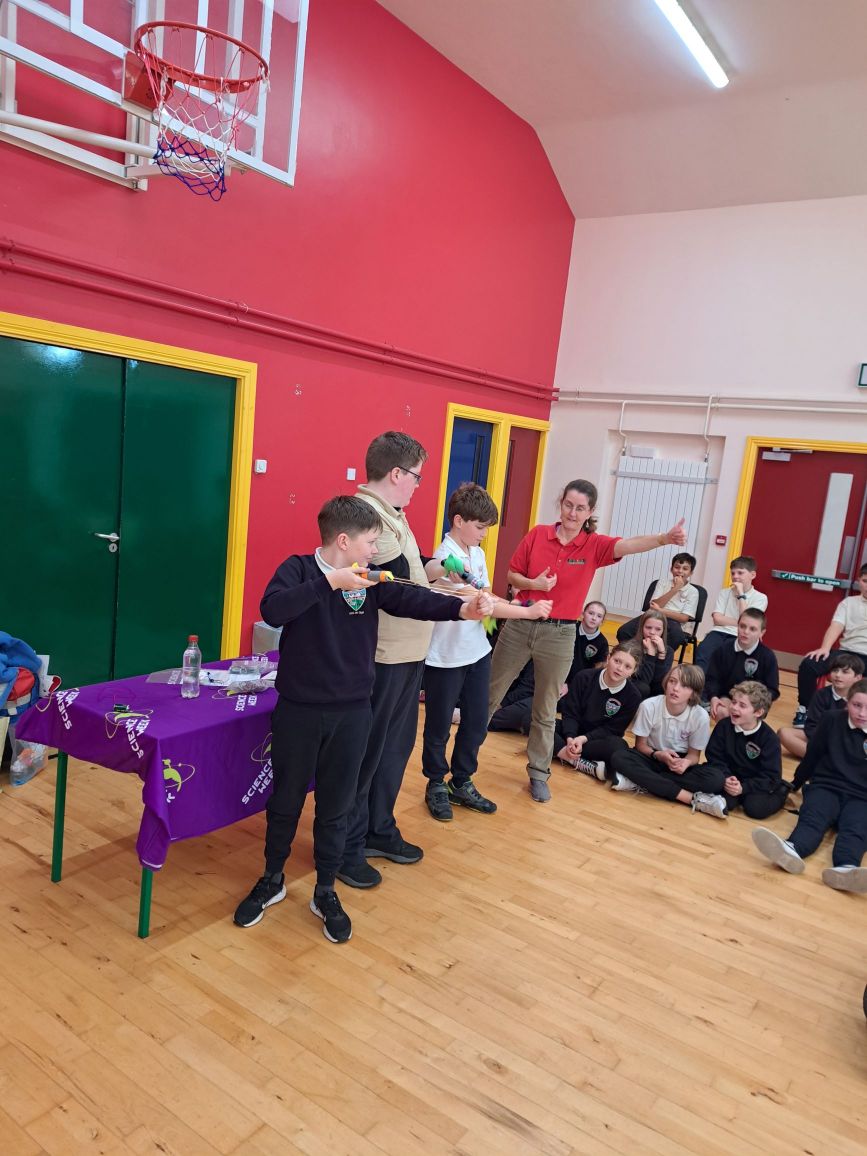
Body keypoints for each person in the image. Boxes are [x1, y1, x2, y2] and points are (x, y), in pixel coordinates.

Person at [233, 496, 492, 942]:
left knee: (336, 806)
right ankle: (272, 879)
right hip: (298, 711)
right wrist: (330, 582)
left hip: (352, 713)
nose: (375, 551)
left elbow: (411, 598)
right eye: (371, 542)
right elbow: (274, 610)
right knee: (286, 801)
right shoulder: (298, 569)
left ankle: (325, 890)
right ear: (343, 541)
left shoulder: (371, 580)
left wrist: (461, 609)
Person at [486, 478, 688, 803]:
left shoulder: (593, 545)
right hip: (521, 622)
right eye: (568, 505)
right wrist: (535, 583)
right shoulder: (537, 534)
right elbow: (512, 575)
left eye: (580, 508)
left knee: (545, 707)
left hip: (561, 633)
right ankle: (463, 764)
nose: (572, 512)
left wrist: (665, 538)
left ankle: (538, 773)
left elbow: (630, 545)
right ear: (561, 503)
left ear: (590, 511)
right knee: (489, 695)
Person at [337, 432, 437, 890]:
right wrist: (460, 606)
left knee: (393, 752)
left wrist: (441, 578)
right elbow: (397, 590)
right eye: (416, 476)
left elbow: (412, 574)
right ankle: (347, 845)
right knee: (366, 756)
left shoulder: (394, 513)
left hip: (408, 653)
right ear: (396, 473)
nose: (418, 485)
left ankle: (378, 828)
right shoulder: (368, 516)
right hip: (383, 657)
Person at [421, 483, 553, 822]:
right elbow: (444, 578)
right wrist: (527, 612)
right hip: (445, 657)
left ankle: (461, 781)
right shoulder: (447, 553)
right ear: (459, 520)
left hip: (477, 653)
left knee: (477, 721)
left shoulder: (477, 554)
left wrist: (519, 602)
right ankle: (435, 783)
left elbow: (487, 598)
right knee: (438, 726)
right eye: (480, 527)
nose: (484, 534)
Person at [752, 679, 867, 893]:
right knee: (812, 819)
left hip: (862, 797)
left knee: (856, 830)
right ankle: (791, 849)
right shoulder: (832, 719)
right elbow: (813, 754)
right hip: (826, 785)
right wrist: (795, 783)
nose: (862, 713)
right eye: (857, 705)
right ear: (847, 703)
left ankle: (847, 868)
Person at [607, 665, 725, 818]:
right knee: (619, 757)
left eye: (684, 686)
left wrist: (685, 763)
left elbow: (694, 756)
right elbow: (640, 745)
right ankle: (691, 798)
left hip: (678, 764)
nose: (675, 688)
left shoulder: (700, 716)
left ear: (693, 692)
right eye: (672, 681)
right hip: (651, 756)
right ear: (666, 682)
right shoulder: (649, 706)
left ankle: (640, 781)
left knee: (716, 779)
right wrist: (658, 755)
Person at [487, 601, 608, 734]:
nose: (593, 618)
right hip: (545, 670)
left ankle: (491, 720)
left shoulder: (601, 643)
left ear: (602, 621)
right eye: (591, 613)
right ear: (582, 613)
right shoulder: (567, 627)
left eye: (599, 616)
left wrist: (570, 685)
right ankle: (492, 710)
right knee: (519, 688)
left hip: (566, 689)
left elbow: (593, 675)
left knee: (533, 707)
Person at [792, 563, 867, 727]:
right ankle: (806, 709)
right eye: (865, 581)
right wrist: (825, 648)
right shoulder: (849, 603)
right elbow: (836, 626)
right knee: (809, 664)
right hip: (846, 652)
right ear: (859, 581)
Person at [553, 644, 643, 781]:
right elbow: (570, 713)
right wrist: (570, 737)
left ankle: (559, 751)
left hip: (595, 741)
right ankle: (574, 759)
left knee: (619, 746)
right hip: (571, 733)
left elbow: (613, 730)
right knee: (537, 723)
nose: (620, 668)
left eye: (627, 666)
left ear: (633, 671)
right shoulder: (584, 677)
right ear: (608, 658)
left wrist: (583, 739)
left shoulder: (633, 696)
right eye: (617, 661)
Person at [705, 681, 787, 819]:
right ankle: (736, 794)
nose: (734, 707)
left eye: (742, 705)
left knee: (754, 808)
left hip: (754, 781)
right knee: (726, 801)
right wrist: (726, 777)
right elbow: (714, 755)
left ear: (758, 712)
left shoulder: (769, 739)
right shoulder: (724, 726)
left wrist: (744, 788)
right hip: (730, 777)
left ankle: (782, 792)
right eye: (733, 702)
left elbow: (771, 775)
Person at [778, 653, 864, 761]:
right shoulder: (821, 695)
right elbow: (811, 725)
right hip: (822, 739)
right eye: (835, 670)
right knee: (784, 733)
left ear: (858, 678)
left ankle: (829, 760)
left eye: (845, 672)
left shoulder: (861, 698)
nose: (838, 675)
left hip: (849, 742)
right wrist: (828, 741)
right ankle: (830, 761)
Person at [695, 557, 767, 673]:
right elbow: (717, 619)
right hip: (719, 632)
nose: (735, 576)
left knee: (729, 659)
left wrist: (741, 594)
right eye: (733, 573)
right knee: (703, 651)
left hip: (740, 635)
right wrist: (740, 622)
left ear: (752, 575)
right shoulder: (724, 592)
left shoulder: (761, 598)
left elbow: (748, 620)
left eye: (740, 573)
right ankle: (700, 682)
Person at [705, 608, 779, 720]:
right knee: (721, 711)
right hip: (727, 697)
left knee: (745, 716)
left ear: (762, 632)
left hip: (753, 703)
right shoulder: (723, 650)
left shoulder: (768, 657)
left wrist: (753, 702)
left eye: (752, 629)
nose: (746, 632)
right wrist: (713, 697)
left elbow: (772, 690)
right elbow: (711, 678)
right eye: (742, 626)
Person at [616, 552, 699, 650]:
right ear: (671, 569)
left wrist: (660, 610)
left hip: (673, 621)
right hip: (652, 615)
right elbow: (654, 606)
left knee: (676, 637)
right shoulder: (662, 583)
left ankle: (659, 657)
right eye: (677, 567)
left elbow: (684, 618)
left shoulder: (693, 592)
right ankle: (636, 653)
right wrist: (675, 589)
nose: (680, 571)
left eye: (685, 569)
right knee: (624, 631)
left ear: (691, 573)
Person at [631, 608, 674, 700]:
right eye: (648, 627)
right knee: (644, 688)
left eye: (658, 629)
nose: (652, 632)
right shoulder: (632, 647)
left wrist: (661, 654)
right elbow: (644, 681)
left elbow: (659, 682)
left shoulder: (668, 651)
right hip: (636, 690)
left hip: (653, 693)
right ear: (641, 627)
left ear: (663, 631)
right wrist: (650, 655)